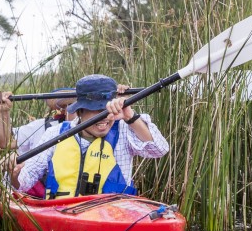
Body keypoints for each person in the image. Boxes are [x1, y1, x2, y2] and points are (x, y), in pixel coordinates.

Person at [9, 74, 169, 198]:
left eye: (107, 110)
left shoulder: (125, 129)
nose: (105, 118)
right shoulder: (55, 134)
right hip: (62, 212)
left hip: (114, 215)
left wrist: (130, 116)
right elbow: (24, 182)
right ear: (80, 111)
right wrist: (14, 174)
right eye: (97, 112)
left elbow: (159, 150)